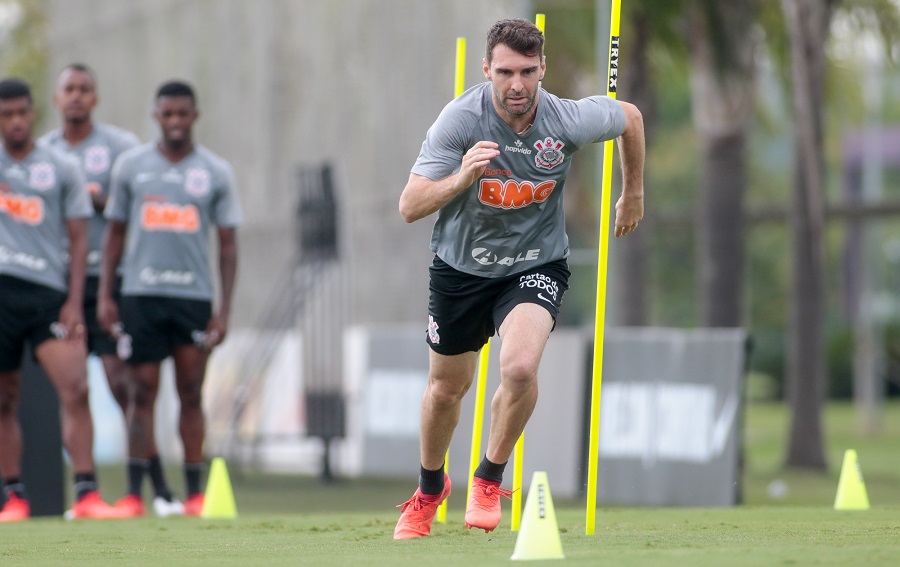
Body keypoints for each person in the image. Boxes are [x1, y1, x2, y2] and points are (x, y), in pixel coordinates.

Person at [393, 19, 645, 540]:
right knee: (446, 389)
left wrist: (634, 191)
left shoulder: (566, 119)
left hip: (535, 263)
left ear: (542, 69)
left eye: (528, 71)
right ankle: (429, 488)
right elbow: (409, 206)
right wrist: (462, 178)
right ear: (486, 69)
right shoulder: (460, 120)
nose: (517, 84)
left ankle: (488, 477)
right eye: (505, 71)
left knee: (521, 366)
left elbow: (630, 117)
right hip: (461, 268)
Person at [39, 63, 183, 518]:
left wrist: (97, 200)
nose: (77, 96)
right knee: (74, 388)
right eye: (69, 89)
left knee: (125, 385)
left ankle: (154, 488)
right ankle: (87, 493)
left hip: (113, 283)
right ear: (58, 98)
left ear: (95, 97)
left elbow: (145, 200)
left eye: (85, 89)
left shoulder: (121, 148)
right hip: (63, 284)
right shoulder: (42, 153)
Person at [98, 80, 242, 518]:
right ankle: (132, 495)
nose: (176, 122)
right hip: (140, 296)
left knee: (191, 393)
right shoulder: (131, 167)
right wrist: (106, 295)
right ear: (156, 116)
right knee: (140, 392)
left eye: (183, 114)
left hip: (192, 298)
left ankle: (195, 494)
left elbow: (229, 246)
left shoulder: (215, 172)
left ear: (195, 116)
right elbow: (114, 236)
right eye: (168, 114)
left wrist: (224, 311)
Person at [0, 77, 128, 522]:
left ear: (34, 112)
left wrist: (74, 302)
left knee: (75, 387)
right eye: (6, 114)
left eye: (21, 113)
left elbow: (78, 241)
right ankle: (13, 498)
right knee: (4, 396)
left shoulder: (59, 167)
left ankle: (87, 493)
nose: (15, 122)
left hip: (48, 295)